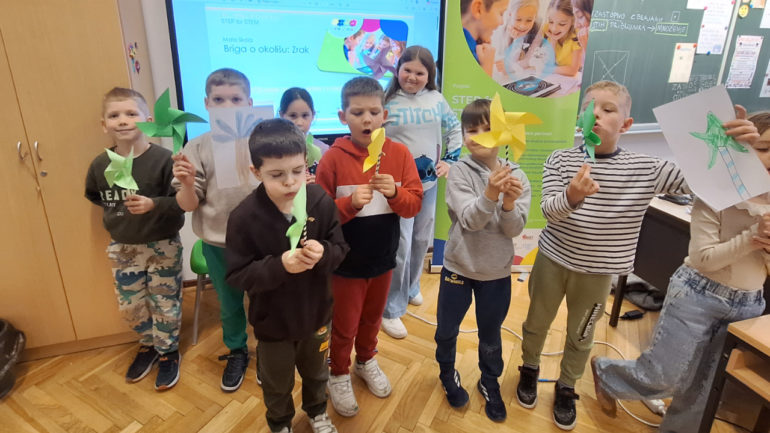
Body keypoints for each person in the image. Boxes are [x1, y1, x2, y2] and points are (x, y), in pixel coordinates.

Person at [515, 80, 760, 430]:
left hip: (598, 273)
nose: (595, 114)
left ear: (626, 124)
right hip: (553, 261)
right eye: (588, 107)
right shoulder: (560, 159)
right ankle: (529, 367)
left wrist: (737, 151)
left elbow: (701, 182)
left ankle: (567, 386)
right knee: (537, 322)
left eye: (608, 109)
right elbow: (549, 211)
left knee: (582, 333)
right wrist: (572, 195)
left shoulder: (648, 168)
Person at [590, 111, 767, 433]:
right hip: (698, 295)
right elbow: (704, 259)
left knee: (704, 388)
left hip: (749, 305)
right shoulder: (715, 193)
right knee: (665, 376)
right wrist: (754, 237)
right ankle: (607, 373)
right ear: (741, 150)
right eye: (764, 148)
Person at [225, 118, 349, 433]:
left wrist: (323, 253)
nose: (290, 183)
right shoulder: (243, 218)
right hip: (273, 324)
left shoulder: (319, 202)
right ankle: (280, 423)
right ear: (256, 172)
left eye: (297, 171)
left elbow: (340, 249)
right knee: (277, 383)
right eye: (277, 175)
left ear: (306, 163)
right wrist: (280, 265)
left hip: (316, 315)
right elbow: (237, 275)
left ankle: (317, 412)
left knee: (317, 374)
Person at [315, 76, 423, 417]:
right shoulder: (333, 159)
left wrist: (395, 193)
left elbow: (414, 205)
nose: (367, 119)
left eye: (374, 112)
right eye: (358, 112)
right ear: (342, 116)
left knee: (372, 319)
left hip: (383, 259)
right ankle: (338, 372)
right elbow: (319, 216)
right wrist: (348, 205)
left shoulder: (400, 155)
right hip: (345, 264)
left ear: (384, 115)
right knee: (344, 324)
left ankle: (365, 360)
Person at [434, 98, 531, 422]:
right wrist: (490, 195)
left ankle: (489, 381)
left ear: (504, 133)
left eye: (486, 129)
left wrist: (508, 204)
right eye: (470, 130)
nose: (476, 136)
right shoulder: (459, 172)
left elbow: (514, 230)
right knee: (446, 330)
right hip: (459, 267)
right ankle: (447, 373)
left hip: (496, 272)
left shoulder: (518, 176)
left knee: (491, 335)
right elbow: (470, 221)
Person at [85, 87, 185, 390]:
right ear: (104, 124)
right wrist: (121, 216)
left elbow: (180, 202)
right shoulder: (100, 165)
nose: (123, 120)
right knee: (131, 306)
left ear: (148, 120)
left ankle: (168, 351)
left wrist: (153, 205)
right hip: (123, 247)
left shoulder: (164, 160)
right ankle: (149, 343)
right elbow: (96, 196)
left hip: (163, 245)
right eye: (114, 115)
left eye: (131, 113)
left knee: (165, 302)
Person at [172, 68, 255, 392]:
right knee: (230, 302)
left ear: (249, 103)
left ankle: (270, 349)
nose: (228, 106)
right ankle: (237, 350)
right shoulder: (197, 148)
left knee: (265, 300)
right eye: (219, 100)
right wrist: (187, 183)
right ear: (207, 104)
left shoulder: (263, 141)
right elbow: (188, 204)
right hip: (219, 243)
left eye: (236, 99)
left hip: (263, 241)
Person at [380, 45, 463, 339]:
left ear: (430, 75)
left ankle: (411, 287)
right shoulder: (386, 101)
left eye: (420, 73)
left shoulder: (436, 100)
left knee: (419, 240)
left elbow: (455, 130)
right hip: (398, 189)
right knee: (401, 246)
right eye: (407, 70)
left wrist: (450, 160)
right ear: (397, 70)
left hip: (428, 185)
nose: (412, 77)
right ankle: (391, 309)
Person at [491, 0, 555, 83]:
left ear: (535, 17)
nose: (523, 25)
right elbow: (505, 58)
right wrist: (516, 39)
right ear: (510, 15)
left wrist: (511, 66)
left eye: (529, 20)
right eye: (518, 19)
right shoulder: (506, 27)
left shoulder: (539, 28)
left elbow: (528, 60)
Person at [278, 87, 329, 182]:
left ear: (313, 115)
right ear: (281, 115)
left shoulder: (323, 150)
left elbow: (329, 183)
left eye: (305, 115)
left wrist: (319, 182)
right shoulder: (274, 150)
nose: (299, 123)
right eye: (293, 116)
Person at [461, 0, 508, 76]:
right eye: (501, 13)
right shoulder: (464, 57)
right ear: (478, 9)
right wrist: (487, 68)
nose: (502, 22)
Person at [543, 0, 582, 77]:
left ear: (573, 21)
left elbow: (573, 70)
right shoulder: (547, 29)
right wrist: (553, 40)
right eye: (551, 22)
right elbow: (547, 62)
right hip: (557, 74)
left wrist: (549, 69)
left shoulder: (576, 36)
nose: (554, 29)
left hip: (575, 75)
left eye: (562, 24)